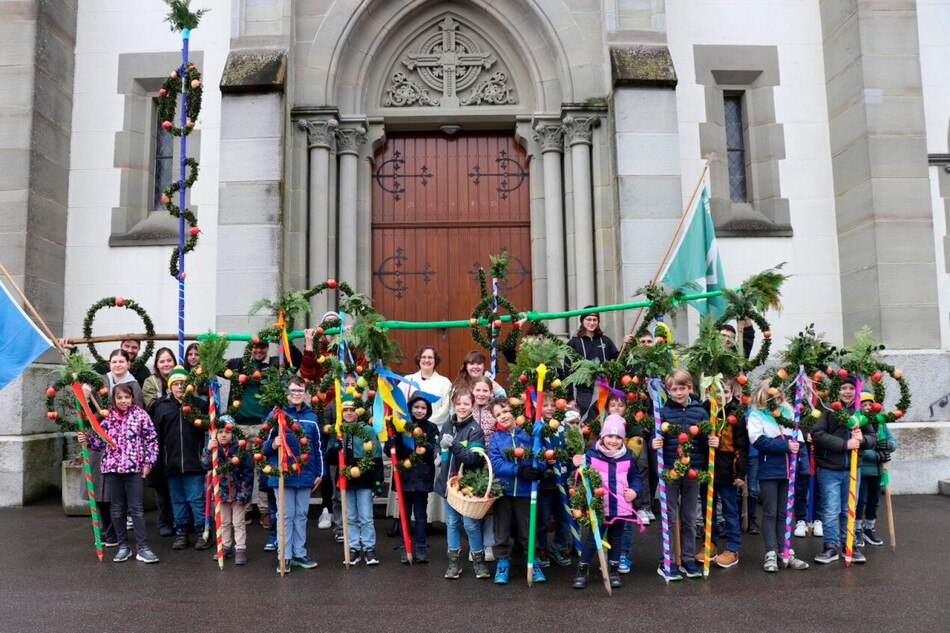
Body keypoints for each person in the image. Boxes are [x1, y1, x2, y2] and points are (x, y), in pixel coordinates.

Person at [79, 382, 159, 564]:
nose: (123, 401)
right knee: (117, 508)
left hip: (133, 469)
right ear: (114, 399)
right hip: (112, 470)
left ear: (132, 397)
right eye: (119, 397)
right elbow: (100, 444)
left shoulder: (140, 415)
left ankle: (143, 547)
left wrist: (148, 463)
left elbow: (152, 440)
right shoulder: (108, 418)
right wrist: (88, 440)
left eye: (127, 397)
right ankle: (123, 546)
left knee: (137, 509)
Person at [651, 369, 717, 580]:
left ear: (690, 388)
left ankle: (688, 558)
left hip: (693, 471)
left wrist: (713, 442)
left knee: (689, 518)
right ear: (668, 391)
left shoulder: (700, 412)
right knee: (669, 517)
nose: (678, 393)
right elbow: (657, 436)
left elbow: (706, 439)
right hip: (670, 470)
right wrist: (655, 442)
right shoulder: (662, 412)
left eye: (682, 388)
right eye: (674, 389)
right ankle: (668, 559)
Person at [810, 375, 876, 564]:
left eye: (850, 388)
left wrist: (862, 440)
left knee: (849, 509)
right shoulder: (829, 410)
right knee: (831, 509)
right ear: (837, 391)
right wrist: (844, 444)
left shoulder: (861, 413)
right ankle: (830, 546)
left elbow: (872, 437)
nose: (847, 392)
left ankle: (849, 544)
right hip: (830, 468)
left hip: (853, 469)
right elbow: (818, 434)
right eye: (843, 388)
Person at [571, 414, 642, 589]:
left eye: (618, 437)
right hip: (599, 507)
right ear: (603, 437)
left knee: (616, 538)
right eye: (610, 436)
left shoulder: (626, 457)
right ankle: (582, 569)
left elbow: (636, 478)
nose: (613, 440)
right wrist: (577, 465)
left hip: (620, 506)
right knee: (593, 539)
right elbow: (580, 477)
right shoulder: (592, 455)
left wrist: (634, 491)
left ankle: (613, 569)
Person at [263, 376, 324, 572]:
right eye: (293, 390)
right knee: (285, 515)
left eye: (300, 390)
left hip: (306, 474)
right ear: (287, 393)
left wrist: (319, 473)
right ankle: (285, 555)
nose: (296, 394)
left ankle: (299, 552)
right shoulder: (276, 415)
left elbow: (317, 447)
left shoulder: (312, 417)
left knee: (301, 515)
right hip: (283, 475)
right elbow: (262, 446)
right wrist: (273, 445)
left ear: (305, 393)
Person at [746, 380, 809, 572]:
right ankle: (771, 552)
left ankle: (786, 551)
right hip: (769, 470)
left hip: (789, 471)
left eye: (779, 393)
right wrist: (785, 446)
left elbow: (797, 439)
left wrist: (798, 443)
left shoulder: (789, 412)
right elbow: (758, 440)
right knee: (771, 512)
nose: (777, 397)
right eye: (772, 394)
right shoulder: (756, 415)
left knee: (785, 513)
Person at [488, 398, 545, 584]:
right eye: (498, 414)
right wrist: (519, 470)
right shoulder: (496, 438)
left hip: (525, 491)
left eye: (505, 411)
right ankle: (503, 563)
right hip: (503, 492)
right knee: (502, 530)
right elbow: (495, 464)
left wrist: (539, 468)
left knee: (527, 528)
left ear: (514, 411)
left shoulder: (528, 433)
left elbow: (541, 454)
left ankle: (533, 562)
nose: (503, 416)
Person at [152, 365, 209, 551]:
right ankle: (181, 531)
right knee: (177, 499)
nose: (179, 387)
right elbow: (156, 437)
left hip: (195, 462)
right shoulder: (162, 408)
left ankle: (203, 531)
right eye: (175, 384)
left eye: (183, 383)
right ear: (169, 387)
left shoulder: (199, 406)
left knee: (196, 498)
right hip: (172, 463)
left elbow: (208, 432)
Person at [435, 389, 488, 580]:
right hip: (448, 485)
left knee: (471, 525)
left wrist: (454, 445)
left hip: (467, 486)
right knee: (451, 522)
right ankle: (454, 563)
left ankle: (479, 562)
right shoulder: (447, 424)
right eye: (458, 404)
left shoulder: (476, 430)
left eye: (466, 404)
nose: (462, 407)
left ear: (472, 405)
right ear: (453, 405)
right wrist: (438, 454)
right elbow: (439, 444)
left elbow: (474, 459)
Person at [696, 377, 747, 569]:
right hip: (706, 469)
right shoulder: (703, 411)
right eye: (716, 392)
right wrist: (707, 441)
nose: (720, 396)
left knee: (730, 510)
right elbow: (696, 440)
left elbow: (742, 446)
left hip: (728, 470)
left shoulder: (737, 414)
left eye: (725, 392)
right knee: (708, 510)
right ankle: (710, 543)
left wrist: (740, 474)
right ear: (709, 393)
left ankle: (733, 547)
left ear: (732, 392)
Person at [388, 394, 439, 564]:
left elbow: (433, 451)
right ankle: (405, 546)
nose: (419, 410)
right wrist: (392, 440)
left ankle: (420, 546)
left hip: (422, 478)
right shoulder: (400, 427)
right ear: (410, 408)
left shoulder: (431, 428)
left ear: (428, 410)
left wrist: (421, 441)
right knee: (404, 514)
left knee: (421, 515)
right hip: (404, 476)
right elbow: (390, 452)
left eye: (423, 408)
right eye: (416, 407)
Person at [200, 416, 254, 565]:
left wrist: (244, 492)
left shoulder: (240, 450)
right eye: (220, 432)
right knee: (223, 521)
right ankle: (226, 545)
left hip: (238, 492)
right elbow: (205, 465)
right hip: (221, 493)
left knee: (238, 522)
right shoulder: (213, 449)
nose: (223, 435)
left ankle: (240, 548)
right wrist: (208, 450)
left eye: (228, 432)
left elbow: (248, 473)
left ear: (234, 434)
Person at [141, 346, 177, 536]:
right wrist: (170, 398)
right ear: (156, 364)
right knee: (161, 481)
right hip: (157, 435)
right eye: (162, 361)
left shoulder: (182, 378)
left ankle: (182, 520)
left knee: (178, 481)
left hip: (177, 436)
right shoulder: (150, 382)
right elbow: (152, 406)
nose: (166, 364)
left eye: (169, 360)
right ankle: (164, 520)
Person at [855, 392, 897, 548]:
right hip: (863, 469)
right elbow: (859, 446)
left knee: (874, 500)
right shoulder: (858, 422)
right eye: (864, 405)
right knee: (861, 500)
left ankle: (869, 528)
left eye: (870, 404)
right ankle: (857, 529)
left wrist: (888, 446)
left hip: (879, 471)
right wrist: (874, 455)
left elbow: (892, 439)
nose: (867, 407)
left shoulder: (880, 422)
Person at [566, 309, 619, 420]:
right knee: (587, 424)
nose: (592, 323)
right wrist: (570, 397)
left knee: (604, 423)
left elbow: (618, 360)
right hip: (584, 394)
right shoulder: (574, 343)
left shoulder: (605, 341)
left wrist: (626, 345)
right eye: (588, 319)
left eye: (595, 320)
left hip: (605, 391)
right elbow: (567, 371)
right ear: (582, 321)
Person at [471, 375, 498, 561]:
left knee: (489, 507)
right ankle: (475, 547)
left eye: (485, 390)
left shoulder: (494, 411)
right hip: (471, 464)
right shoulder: (466, 410)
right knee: (472, 506)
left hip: (490, 464)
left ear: (491, 392)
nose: (481, 394)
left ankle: (489, 545)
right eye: (478, 390)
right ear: (472, 391)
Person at [401, 345, 453, 427]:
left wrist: (426, 423)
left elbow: (446, 408)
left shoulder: (445, 382)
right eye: (423, 357)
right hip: (410, 429)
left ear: (435, 360)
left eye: (430, 357)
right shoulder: (407, 381)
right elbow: (399, 403)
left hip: (435, 429)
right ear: (419, 359)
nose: (426, 360)